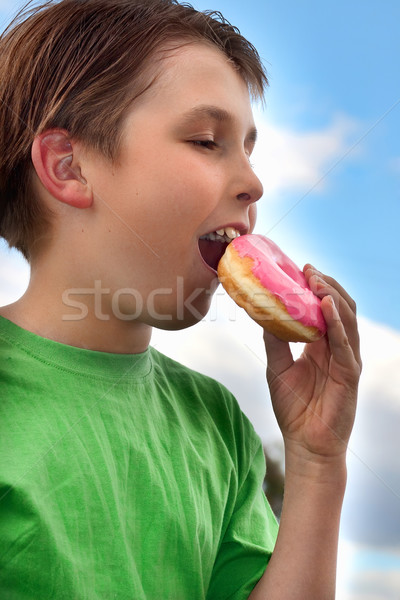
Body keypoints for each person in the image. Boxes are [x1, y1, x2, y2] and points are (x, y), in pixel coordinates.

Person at [0, 0, 361, 598]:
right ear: (69, 167)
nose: (254, 183)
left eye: (249, 148)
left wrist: (319, 462)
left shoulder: (216, 422)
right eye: (204, 140)